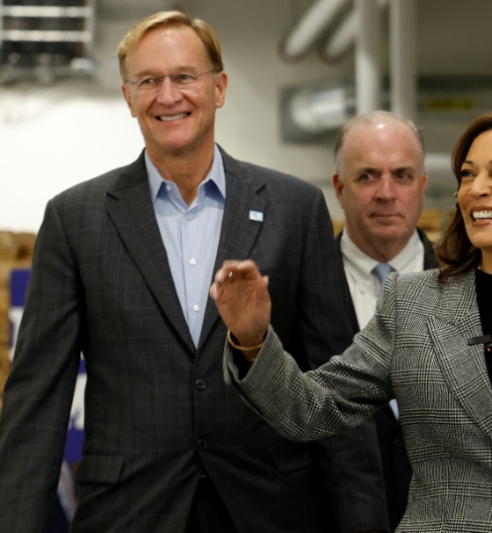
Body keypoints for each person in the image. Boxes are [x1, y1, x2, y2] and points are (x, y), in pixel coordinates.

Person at [0, 11, 387, 533]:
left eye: (184, 76)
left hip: (270, 509)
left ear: (219, 88)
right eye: (149, 81)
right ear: (128, 97)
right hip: (130, 512)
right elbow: (37, 401)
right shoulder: (76, 219)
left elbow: (336, 390)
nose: (167, 95)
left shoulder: (294, 209)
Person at [211, 110, 492, 532]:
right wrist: (252, 339)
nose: (476, 189)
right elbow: (313, 409)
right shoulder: (414, 303)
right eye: (468, 175)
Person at [332, 110, 438, 529]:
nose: (386, 192)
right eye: (367, 176)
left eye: (402, 176)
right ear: (339, 188)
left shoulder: (474, 288)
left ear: (423, 186)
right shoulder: (302, 289)